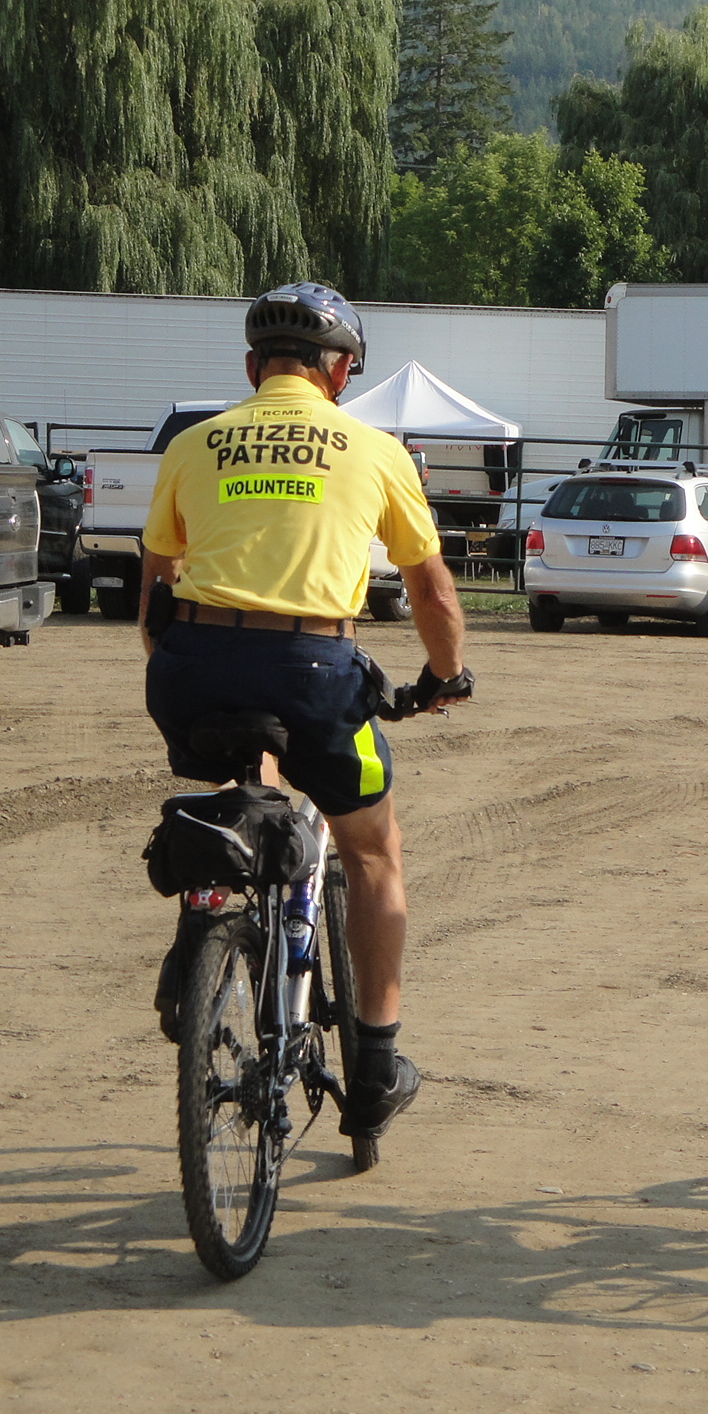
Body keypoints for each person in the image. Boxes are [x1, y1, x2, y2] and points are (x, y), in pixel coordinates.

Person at [139, 282, 473, 1142]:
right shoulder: (373, 448)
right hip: (313, 668)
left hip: (191, 670)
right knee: (373, 852)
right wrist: (444, 677)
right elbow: (432, 589)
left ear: (252, 368)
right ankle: (373, 1065)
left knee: (239, 786)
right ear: (343, 371)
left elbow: (155, 591)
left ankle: (203, 930)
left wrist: (182, 672)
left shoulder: (194, 443)